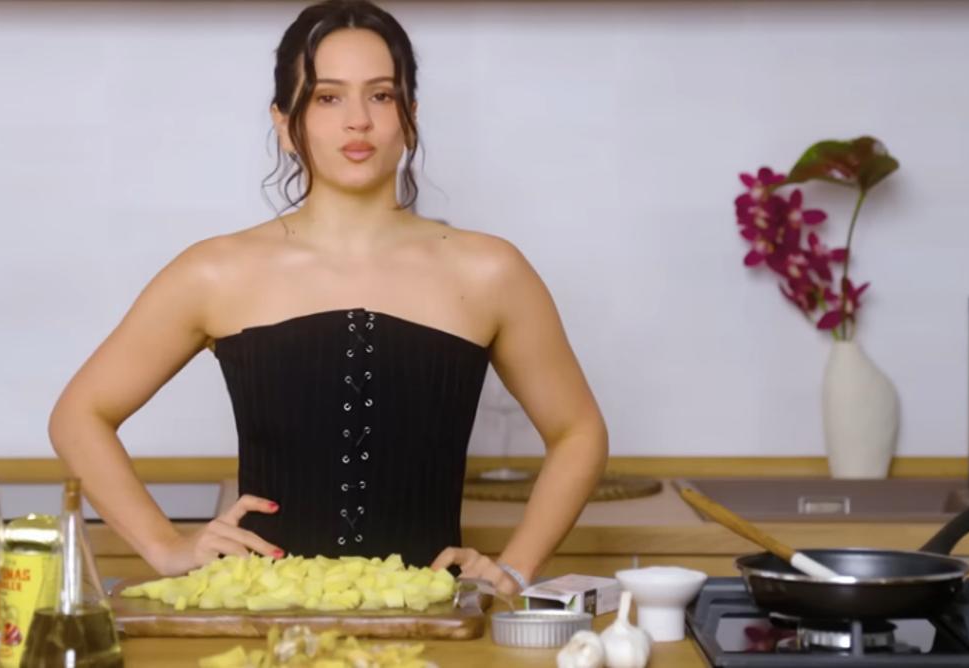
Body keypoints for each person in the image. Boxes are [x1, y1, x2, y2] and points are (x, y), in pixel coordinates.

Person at [49, 0, 607, 595]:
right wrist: (165, 547)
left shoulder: (492, 270)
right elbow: (78, 416)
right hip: (258, 621)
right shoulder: (215, 271)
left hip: (439, 625)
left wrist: (515, 569)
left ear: (410, 117)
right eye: (327, 97)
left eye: (382, 95)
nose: (358, 121)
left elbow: (579, 432)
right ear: (285, 124)